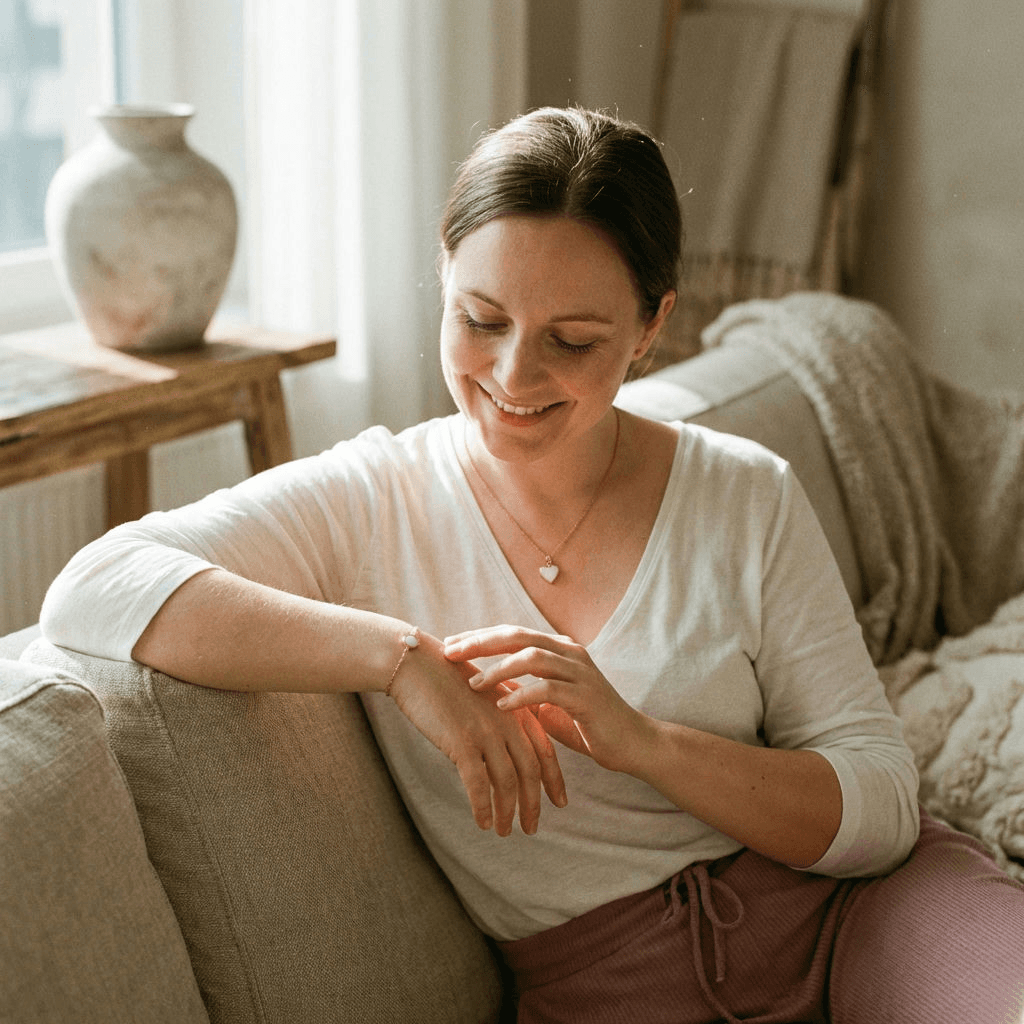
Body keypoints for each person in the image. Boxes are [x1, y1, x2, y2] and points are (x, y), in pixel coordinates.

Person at [41, 107, 1024, 1023]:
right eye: (481, 318)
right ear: (444, 279)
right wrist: (400, 659)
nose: (513, 377)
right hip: (611, 986)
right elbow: (94, 586)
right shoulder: (367, 499)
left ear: (648, 328)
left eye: (574, 338)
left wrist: (640, 741)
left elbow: (882, 806)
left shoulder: (743, 493)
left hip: (860, 918)